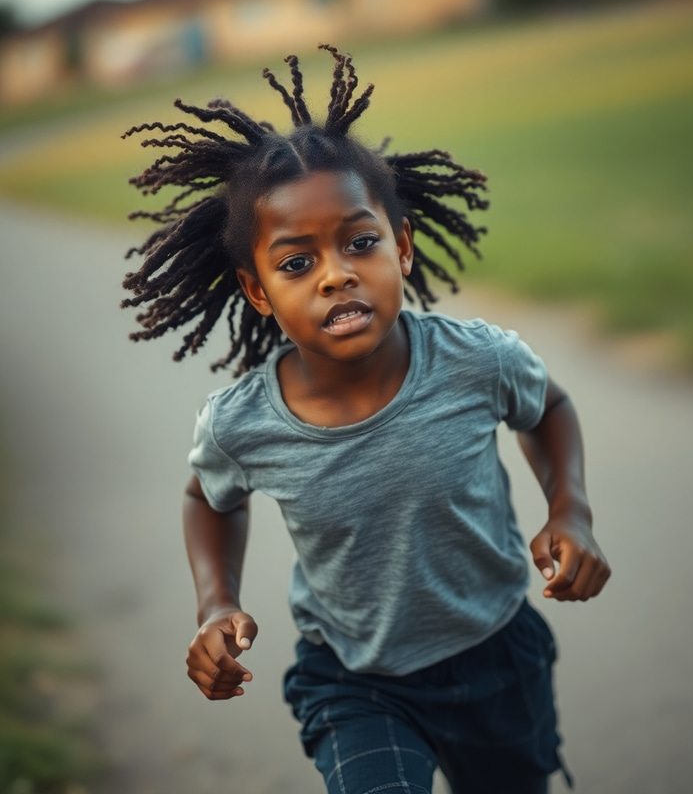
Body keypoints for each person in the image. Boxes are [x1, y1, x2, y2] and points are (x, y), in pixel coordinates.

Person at [121, 45, 611, 794]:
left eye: (360, 242)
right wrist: (216, 603)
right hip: (355, 680)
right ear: (257, 292)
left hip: (496, 653)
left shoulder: (476, 361)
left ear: (402, 247)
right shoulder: (242, 424)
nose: (336, 273)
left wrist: (569, 509)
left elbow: (548, 408)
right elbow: (205, 497)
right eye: (296, 263)